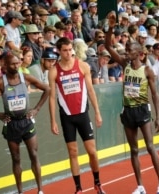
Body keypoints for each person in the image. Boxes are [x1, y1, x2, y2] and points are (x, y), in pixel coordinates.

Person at [105, 11, 159, 194]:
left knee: (149, 146)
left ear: (139, 53)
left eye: (130, 50)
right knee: (133, 149)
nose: (126, 52)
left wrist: (158, 117)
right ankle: (140, 186)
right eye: (126, 50)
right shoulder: (125, 64)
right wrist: (111, 27)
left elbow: (154, 95)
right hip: (128, 110)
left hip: (142, 110)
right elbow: (108, 46)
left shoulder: (147, 71)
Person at [48, 37, 106, 194]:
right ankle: (78, 188)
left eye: (70, 50)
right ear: (59, 51)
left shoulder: (82, 66)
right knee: (73, 153)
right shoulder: (54, 71)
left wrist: (98, 113)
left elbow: (91, 90)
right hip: (66, 117)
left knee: (92, 151)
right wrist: (52, 120)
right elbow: (52, 97)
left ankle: (97, 183)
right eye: (65, 50)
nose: (68, 53)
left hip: (83, 115)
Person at [0, 53, 50, 194]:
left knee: (34, 155)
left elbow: (47, 89)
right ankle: (20, 191)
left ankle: (40, 190)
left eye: (18, 63)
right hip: (12, 124)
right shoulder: (0, 82)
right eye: (13, 64)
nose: (17, 66)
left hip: (27, 122)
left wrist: (36, 109)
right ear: (5, 65)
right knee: (16, 159)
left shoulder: (26, 78)